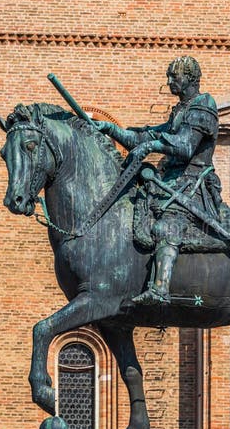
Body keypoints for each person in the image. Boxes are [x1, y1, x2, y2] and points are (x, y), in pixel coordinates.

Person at [95, 55, 222, 304]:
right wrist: (111, 130)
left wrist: (153, 144)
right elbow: (144, 137)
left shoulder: (203, 106)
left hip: (192, 182)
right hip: (171, 181)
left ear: (190, 78)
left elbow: (185, 146)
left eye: (173, 76)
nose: (169, 81)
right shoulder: (181, 111)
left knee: (167, 224)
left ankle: (160, 288)